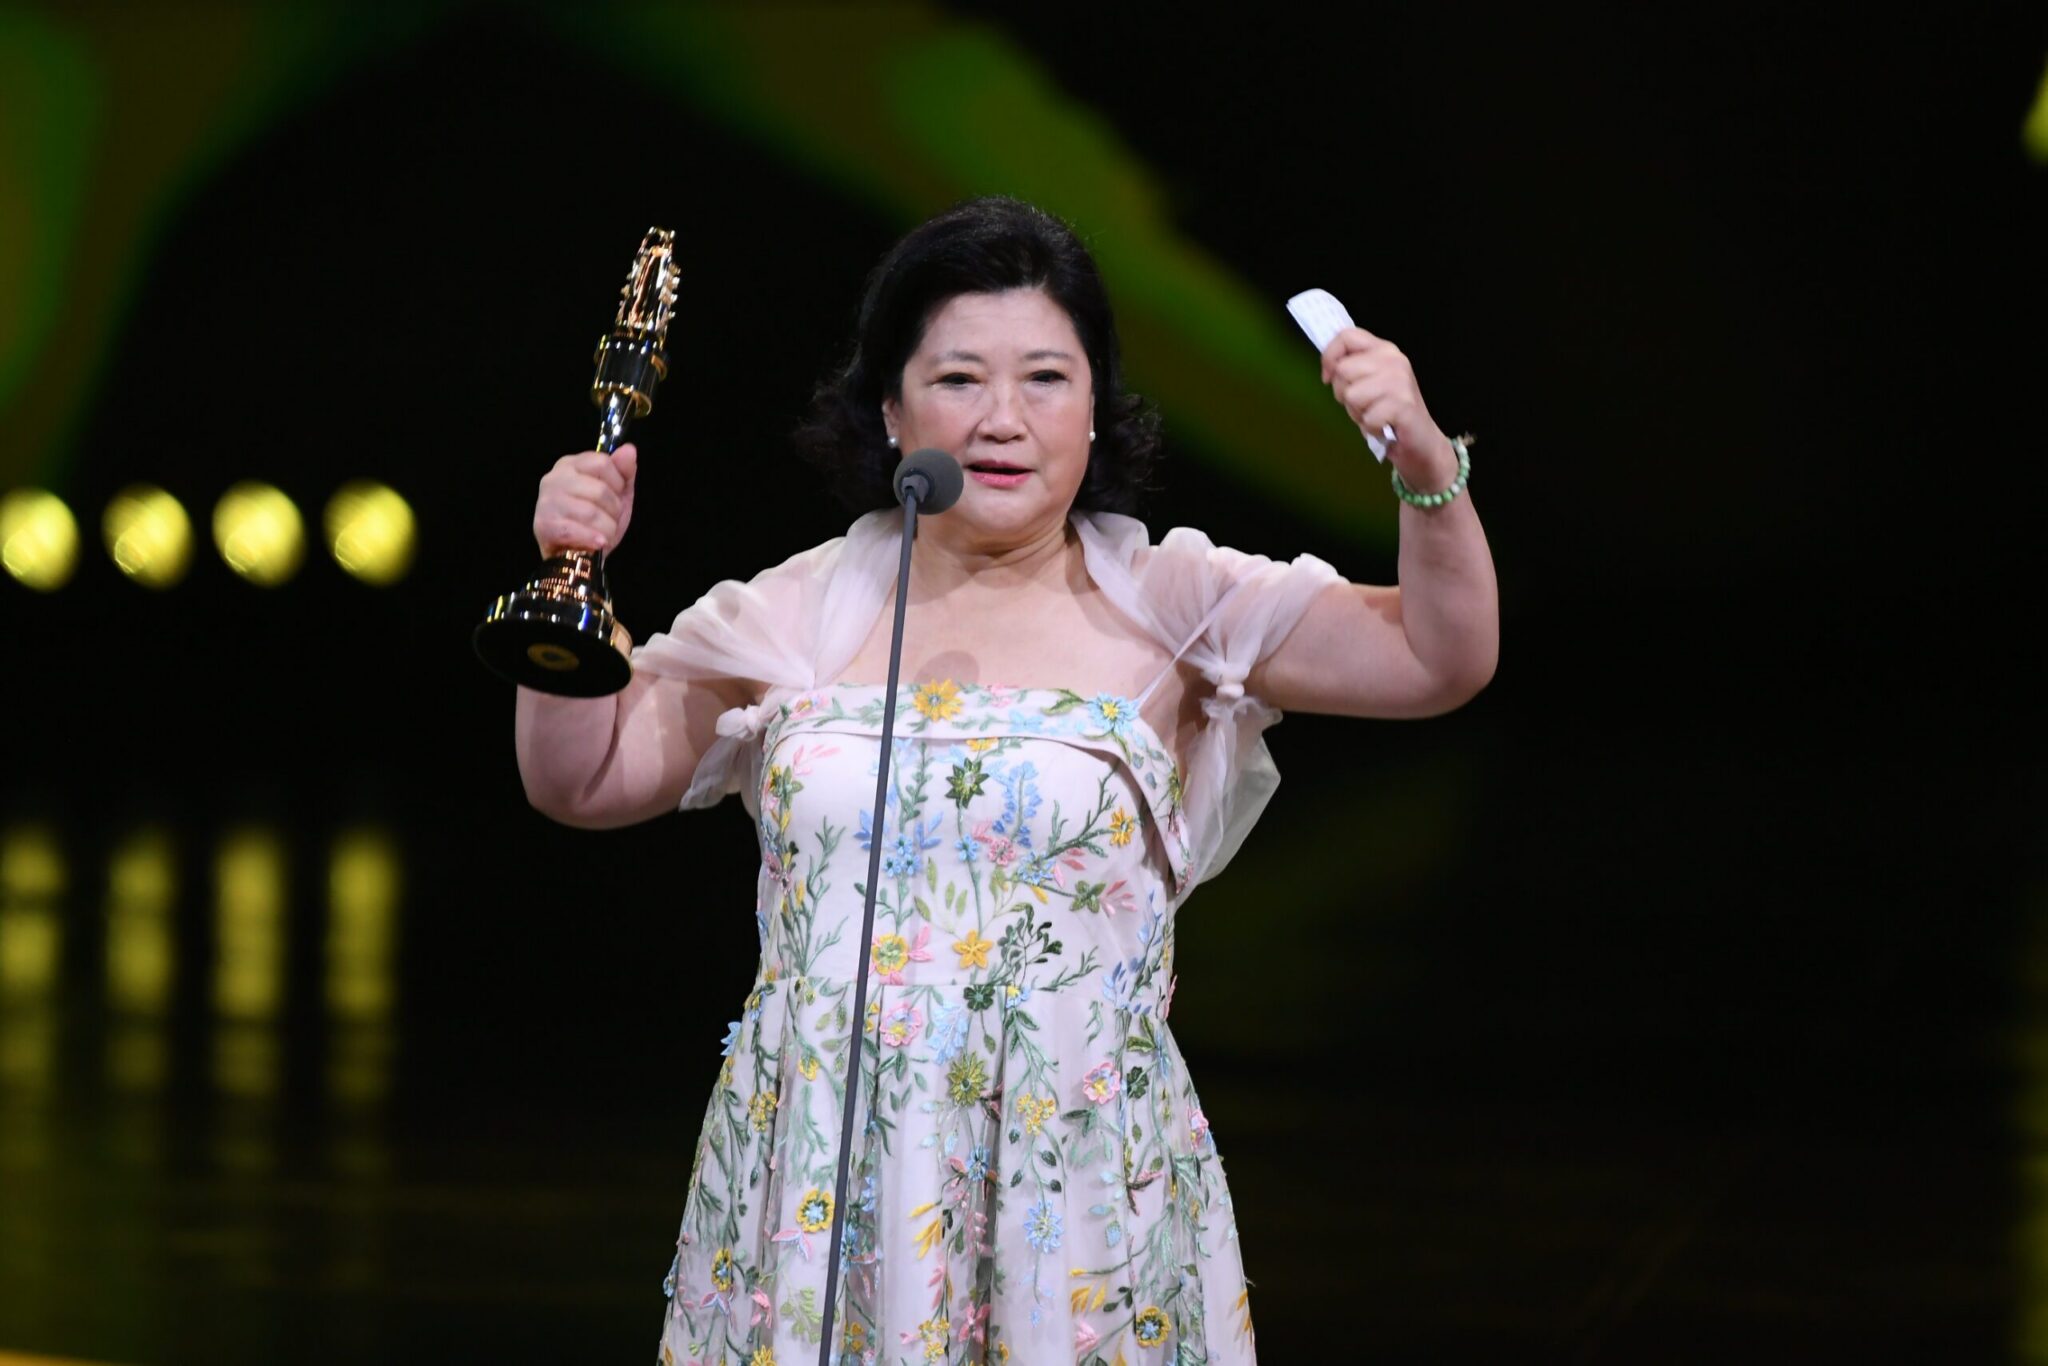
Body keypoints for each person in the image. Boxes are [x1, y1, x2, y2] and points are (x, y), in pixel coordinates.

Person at [516, 197, 1497, 1365]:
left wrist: (1425, 470)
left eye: (1044, 378)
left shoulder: (1175, 603)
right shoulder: (793, 611)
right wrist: (568, 576)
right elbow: (581, 777)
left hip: (1077, 1189)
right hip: (824, 1185)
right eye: (956, 378)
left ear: (1095, 409)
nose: (1000, 419)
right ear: (891, 410)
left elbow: (1436, 658)